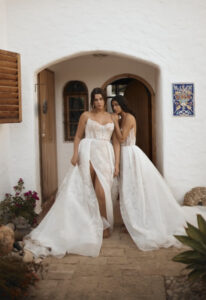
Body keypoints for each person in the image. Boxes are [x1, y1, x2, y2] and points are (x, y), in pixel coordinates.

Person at [24, 88, 120, 258]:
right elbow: (77, 136)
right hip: (88, 150)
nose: (98, 102)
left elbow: (117, 142)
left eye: (100, 99)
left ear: (105, 100)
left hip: (106, 154)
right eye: (95, 99)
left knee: (101, 192)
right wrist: (75, 153)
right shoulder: (86, 115)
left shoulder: (112, 117)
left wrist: (117, 164)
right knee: (84, 190)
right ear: (92, 101)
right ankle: (88, 225)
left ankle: (103, 224)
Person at [111, 95, 206, 251]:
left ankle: (137, 222)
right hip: (125, 156)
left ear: (122, 104)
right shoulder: (122, 118)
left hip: (131, 155)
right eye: (113, 105)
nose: (114, 108)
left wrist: (115, 122)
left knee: (134, 189)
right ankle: (131, 222)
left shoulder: (128, 118)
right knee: (128, 189)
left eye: (116, 105)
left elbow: (121, 139)